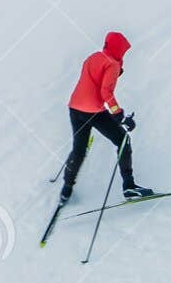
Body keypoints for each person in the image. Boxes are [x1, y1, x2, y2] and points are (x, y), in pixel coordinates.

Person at [61, 30, 152, 203]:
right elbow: (106, 92)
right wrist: (120, 116)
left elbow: (93, 77)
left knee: (79, 150)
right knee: (123, 140)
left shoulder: (94, 56)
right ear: (119, 49)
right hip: (93, 111)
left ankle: (66, 188)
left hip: (74, 108)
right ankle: (129, 186)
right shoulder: (112, 64)